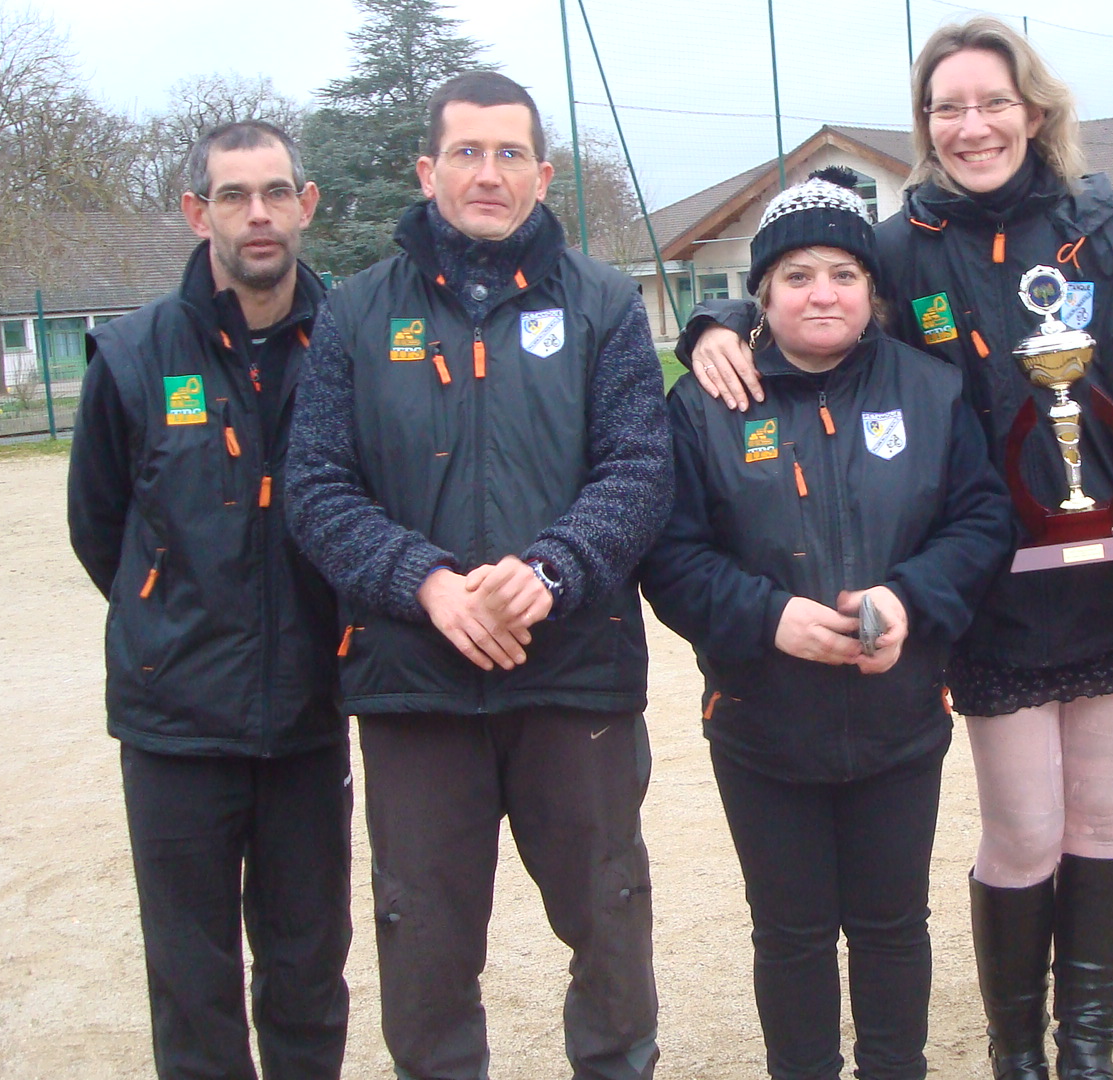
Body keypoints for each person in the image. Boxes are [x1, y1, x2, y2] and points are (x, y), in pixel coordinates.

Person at [680, 19, 1113, 1079]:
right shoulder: (904, 242)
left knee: (1101, 817)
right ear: (927, 126)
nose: (972, 127)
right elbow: (805, 269)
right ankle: (1017, 1054)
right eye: (948, 108)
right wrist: (715, 321)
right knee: (1023, 830)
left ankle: (1085, 1052)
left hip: (1107, 576)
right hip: (983, 590)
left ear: (1036, 109)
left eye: (992, 102)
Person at [286, 71, 672, 1080]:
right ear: (428, 170)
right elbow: (317, 485)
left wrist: (554, 566)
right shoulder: (358, 314)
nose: (488, 174)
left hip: (574, 673)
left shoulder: (603, 302)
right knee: (425, 943)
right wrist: (428, 584)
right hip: (417, 682)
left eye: (509, 154)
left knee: (608, 915)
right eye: (467, 152)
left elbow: (640, 467)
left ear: (542, 174)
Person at [642, 167, 1012, 1080]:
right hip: (763, 725)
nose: (823, 293)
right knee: (792, 934)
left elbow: (982, 523)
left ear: (870, 290)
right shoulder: (702, 405)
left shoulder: (929, 390)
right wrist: (766, 618)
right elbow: (669, 556)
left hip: (900, 720)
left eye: (844, 274)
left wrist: (910, 598)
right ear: (761, 291)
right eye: (799, 274)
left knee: (893, 928)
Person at [67, 120, 351, 1079]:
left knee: (309, 969)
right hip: (174, 721)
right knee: (191, 983)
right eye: (234, 196)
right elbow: (100, 526)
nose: (258, 215)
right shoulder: (137, 353)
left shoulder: (350, 342)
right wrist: (170, 617)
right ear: (199, 213)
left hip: (313, 715)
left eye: (275, 192)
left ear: (306, 205)